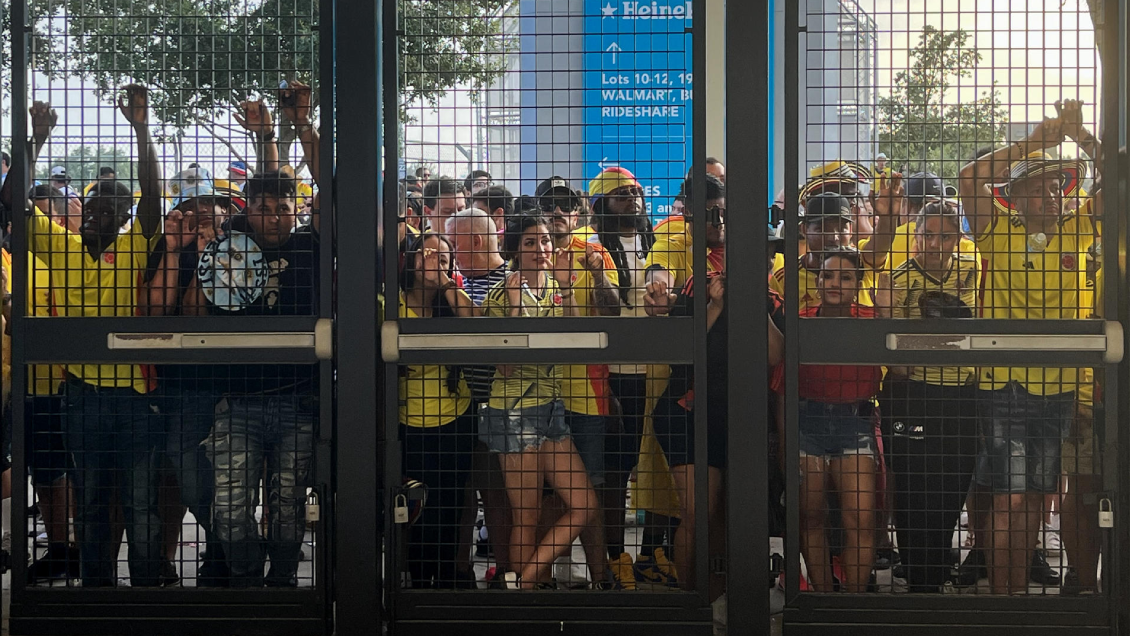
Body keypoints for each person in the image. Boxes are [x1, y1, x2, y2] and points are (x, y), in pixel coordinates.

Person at [15, 87, 164, 587]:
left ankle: (144, 587)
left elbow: (153, 196)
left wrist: (142, 130)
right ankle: (97, 589)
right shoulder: (60, 245)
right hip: (81, 395)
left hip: (134, 398)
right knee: (93, 497)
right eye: (94, 202)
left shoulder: (135, 246)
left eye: (112, 207)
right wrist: (34, 141)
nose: (100, 211)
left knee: (141, 502)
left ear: (126, 217)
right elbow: (12, 201)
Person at [957, 98, 1099, 595]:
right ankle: (1006, 601)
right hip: (1006, 388)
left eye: (1056, 187)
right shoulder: (996, 235)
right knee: (1009, 499)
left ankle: (1021, 601)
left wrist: (1083, 141)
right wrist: (1035, 143)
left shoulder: (1077, 233)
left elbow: (1118, 188)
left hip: (1059, 390)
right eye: (1037, 189)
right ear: (1013, 199)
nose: (1052, 196)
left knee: (1038, 498)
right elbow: (968, 178)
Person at [179, 165, 319, 587]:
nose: (274, 217)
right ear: (249, 210)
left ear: (296, 211)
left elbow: (338, 197)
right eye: (263, 208)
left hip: (297, 400)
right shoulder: (228, 249)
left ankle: (283, 586)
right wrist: (208, 261)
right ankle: (246, 579)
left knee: (289, 511)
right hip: (237, 402)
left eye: (283, 208)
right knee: (230, 513)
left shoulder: (310, 246)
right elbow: (191, 317)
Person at [646, 223, 785, 601]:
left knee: (728, 513)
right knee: (698, 513)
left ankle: (722, 597)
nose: (764, 260)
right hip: (686, 412)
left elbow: (775, 356)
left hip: (739, 418)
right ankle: (690, 599)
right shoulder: (698, 286)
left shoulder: (771, 300)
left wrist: (756, 305)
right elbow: (680, 349)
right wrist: (716, 306)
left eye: (767, 255)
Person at [480, 214, 598, 590]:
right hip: (514, 411)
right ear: (514, 249)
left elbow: (576, 345)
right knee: (526, 515)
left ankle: (525, 581)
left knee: (584, 504)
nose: (541, 249)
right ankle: (525, 595)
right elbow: (506, 365)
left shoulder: (557, 288)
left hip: (551, 410)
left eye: (545, 241)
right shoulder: (502, 293)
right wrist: (515, 306)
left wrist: (566, 287)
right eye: (530, 243)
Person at [874, 201, 980, 593]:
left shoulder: (973, 272)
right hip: (912, 395)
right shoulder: (899, 279)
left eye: (945, 235)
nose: (935, 244)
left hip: (962, 395)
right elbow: (894, 353)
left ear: (958, 238)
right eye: (927, 235)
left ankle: (935, 567)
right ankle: (919, 576)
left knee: (953, 483)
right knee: (914, 486)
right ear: (914, 236)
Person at [141, 164, 237, 586]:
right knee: (167, 480)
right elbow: (154, 313)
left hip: (215, 384)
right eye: (189, 208)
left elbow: (198, 316)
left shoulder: (236, 249)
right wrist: (177, 251)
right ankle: (168, 563)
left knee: (204, 480)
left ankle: (226, 554)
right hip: (164, 382)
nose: (200, 215)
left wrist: (208, 257)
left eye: (208, 207)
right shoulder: (166, 249)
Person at [535, 174, 620, 587]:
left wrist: (597, 276)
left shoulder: (595, 252)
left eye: (566, 206)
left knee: (591, 490)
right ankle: (543, 579)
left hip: (588, 390)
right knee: (545, 494)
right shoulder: (528, 253)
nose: (557, 213)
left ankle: (601, 578)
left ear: (580, 211)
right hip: (537, 391)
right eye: (549, 205)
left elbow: (614, 313)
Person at [791, 247, 883, 593]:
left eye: (845, 277)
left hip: (855, 423)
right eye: (827, 275)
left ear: (858, 284)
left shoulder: (872, 320)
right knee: (810, 519)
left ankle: (852, 604)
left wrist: (887, 313)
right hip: (806, 422)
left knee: (860, 521)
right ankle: (822, 600)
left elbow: (904, 367)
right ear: (816, 281)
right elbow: (782, 386)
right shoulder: (799, 320)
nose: (835, 283)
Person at [585, 167, 657, 589]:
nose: (633, 200)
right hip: (618, 375)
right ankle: (615, 555)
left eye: (636, 192)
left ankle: (652, 552)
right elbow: (607, 310)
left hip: (660, 370)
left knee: (655, 468)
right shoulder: (594, 247)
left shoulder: (659, 243)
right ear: (601, 207)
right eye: (620, 196)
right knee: (617, 471)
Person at [397, 231, 478, 587]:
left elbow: (477, 326)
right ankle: (416, 582)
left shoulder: (451, 301)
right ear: (411, 261)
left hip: (455, 419)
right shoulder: (392, 303)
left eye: (444, 258)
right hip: (407, 422)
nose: (435, 261)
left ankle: (445, 583)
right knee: (416, 509)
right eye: (427, 254)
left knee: (451, 506)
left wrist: (446, 285)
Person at [771, 192, 881, 312]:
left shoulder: (862, 263)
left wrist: (887, 217)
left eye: (841, 228)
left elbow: (881, 245)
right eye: (822, 229)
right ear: (804, 229)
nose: (834, 237)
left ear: (850, 229)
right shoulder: (786, 277)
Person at [858, 171, 978, 273]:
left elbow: (873, 257)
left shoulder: (886, 241)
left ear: (906, 204)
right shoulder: (967, 246)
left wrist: (887, 220)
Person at [644, 173, 726, 315]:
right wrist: (660, 293)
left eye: (723, 213)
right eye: (710, 215)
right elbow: (659, 278)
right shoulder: (670, 248)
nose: (719, 222)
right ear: (687, 212)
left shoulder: (743, 246)